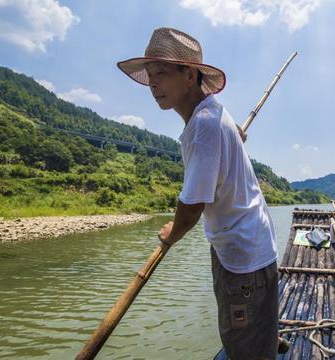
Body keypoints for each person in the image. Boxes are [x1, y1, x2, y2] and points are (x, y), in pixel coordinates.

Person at [117, 28, 283, 359]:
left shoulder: (205, 126)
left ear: (189, 75)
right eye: (150, 76)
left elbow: (192, 206)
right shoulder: (213, 115)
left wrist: (170, 234)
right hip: (248, 244)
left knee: (242, 341)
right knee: (251, 328)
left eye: (161, 74)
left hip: (242, 256)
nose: (153, 84)